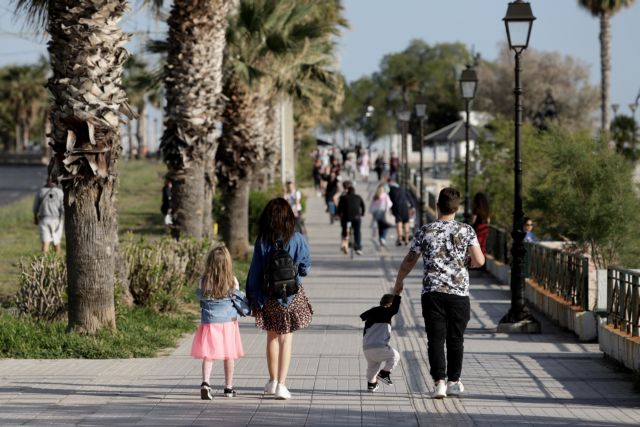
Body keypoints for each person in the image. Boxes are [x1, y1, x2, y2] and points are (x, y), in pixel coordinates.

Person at [393, 187, 485, 399]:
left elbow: (409, 260)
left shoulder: (425, 231)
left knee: (435, 339)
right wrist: (464, 263)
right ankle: (454, 380)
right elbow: (480, 261)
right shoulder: (466, 230)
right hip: (459, 293)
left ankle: (439, 383)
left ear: (437, 207)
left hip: (432, 292)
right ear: (457, 208)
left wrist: (399, 282)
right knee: (456, 338)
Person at [246, 198, 312, 400]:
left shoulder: (263, 241)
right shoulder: (298, 238)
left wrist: (253, 296)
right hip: (292, 296)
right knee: (287, 338)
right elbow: (305, 267)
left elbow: (255, 271)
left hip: (269, 295)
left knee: (272, 337)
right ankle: (282, 385)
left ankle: (273, 380)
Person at [190, 246, 247, 400]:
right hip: (228, 323)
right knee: (229, 356)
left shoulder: (203, 281)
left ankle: (205, 383)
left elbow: (201, 298)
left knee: (208, 355)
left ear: (209, 262)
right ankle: (228, 388)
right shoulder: (232, 281)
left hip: (209, 323)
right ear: (228, 263)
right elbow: (237, 300)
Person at [360, 294, 401, 392]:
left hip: (367, 348)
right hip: (379, 346)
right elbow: (395, 309)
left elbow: (363, 316)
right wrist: (397, 295)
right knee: (395, 356)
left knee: (373, 366)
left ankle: (372, 384)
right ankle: (384, 374)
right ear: (389, 305)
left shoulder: (373, 312)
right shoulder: (385, 311)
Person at [32, 176, 64, 254]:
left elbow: (35, 207)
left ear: (47, 181)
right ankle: (57, 262)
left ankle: (44, 263)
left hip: (44, 220)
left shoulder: (41, 192)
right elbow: (63, 208)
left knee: (45, 242)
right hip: (56, 220)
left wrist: (35, 218)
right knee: (57, 242)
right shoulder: (60, 192)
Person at [337, 180, 366, 255]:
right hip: (356, 217)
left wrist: (338, 214)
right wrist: (362, 213)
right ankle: (358, 248)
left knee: (344, 229)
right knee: (357, 232)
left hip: (346, 217)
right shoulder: (358, 197)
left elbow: (339, 208)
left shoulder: (343, 197)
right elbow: (363, 206)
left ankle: (345, 241)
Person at [388, 177, 414, 246]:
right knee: (406, 222)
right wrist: (412, 206)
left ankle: (399, 239)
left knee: (399, 222)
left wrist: (390, 209)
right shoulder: (403, 188)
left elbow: (389, 200)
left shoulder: (391, 190)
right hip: (405, 207)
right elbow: (409, 197)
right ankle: (406, 239)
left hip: (396, 207)